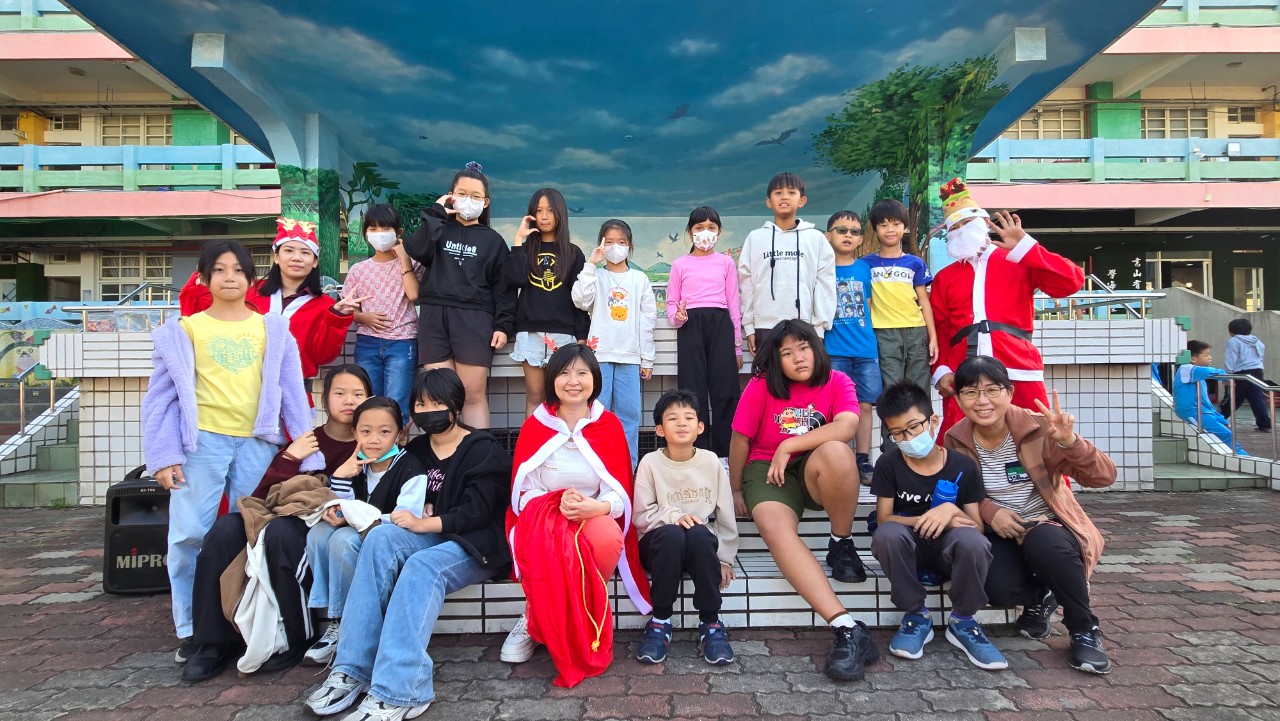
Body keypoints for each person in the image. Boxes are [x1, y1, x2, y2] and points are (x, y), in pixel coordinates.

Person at [141, 239, 320, 660]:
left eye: (238, 270)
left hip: (258, 443)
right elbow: (160, 399)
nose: (229, 277)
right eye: (219, 270)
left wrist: (305, 451)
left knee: (253, 532)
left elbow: (292, 392)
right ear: (204, 278)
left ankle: (246, 621)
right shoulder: (184, 331)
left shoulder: (272, 329)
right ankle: (192, 627)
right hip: (201, 443)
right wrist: (163, 456)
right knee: (188, 535)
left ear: (251, 278)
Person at [304, 368, 512, 720]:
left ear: (456, 405)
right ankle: (351, 669)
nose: (428, 411)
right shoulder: (415, 449)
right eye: (421, 404)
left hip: (473, 545)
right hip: (430, 535)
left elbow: (476, 513)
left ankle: (402, 689)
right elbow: (392, 502)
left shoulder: (482, 449)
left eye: (437, 403)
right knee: (379, 537)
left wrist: (425, 520)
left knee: (420, 567)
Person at [181, 365, 370, 682]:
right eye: (340, 393)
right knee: (225, 530)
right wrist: (290, 458)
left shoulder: (370, 441)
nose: (349, 400)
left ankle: (297, 637)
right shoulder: (306, 440)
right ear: (324, 399)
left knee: (282, 534)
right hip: (283, 512)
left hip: (324, 525)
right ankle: (212, 642)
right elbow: (264, 495)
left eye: (358, 394)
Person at [943, 355, 1115, 674]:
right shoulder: (955, 438)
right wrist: (990, 512)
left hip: (1046, 523)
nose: (982, 401)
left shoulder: (1039, 428)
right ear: (959, 398)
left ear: (1009, 392)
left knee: (1046, 544)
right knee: (996, 588)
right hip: (999, 531)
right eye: (971, 392)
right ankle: (1043, 594)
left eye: (992, 390)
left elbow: (1103, 477)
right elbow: (958, 493)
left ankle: (1084, 629)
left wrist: (1071, 442)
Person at [728, 319, 878, 682]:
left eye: (804, 348)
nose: (798, 358)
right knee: (773, 525)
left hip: (814, 469)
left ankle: (841, 542)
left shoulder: (838, 381)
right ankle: (846, 627)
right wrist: (735, 490)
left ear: (817, 348)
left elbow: (847, 426)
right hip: (767, 469)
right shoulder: (761, 385)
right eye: (787, 353)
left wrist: (790, 444)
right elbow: (740, 439)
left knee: (839, 452)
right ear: (776, 360)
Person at [500, 344, 651, 688]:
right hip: (543, 516)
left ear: (594, 380)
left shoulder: (608, 426)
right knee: (545, 537)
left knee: (607, 536)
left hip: (590, 514)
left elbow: (618, 491)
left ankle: (582, 609)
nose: (573, 381)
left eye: (582, 373)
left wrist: (596, 508)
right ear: (552, 379)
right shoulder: (536, 425)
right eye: (565, 373)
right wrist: (555, 504)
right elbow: (523, 490)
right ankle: (534, 616)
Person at [930, 179, 1084, 435]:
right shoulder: (944, 278)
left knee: (1037, 433)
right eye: (954, 227)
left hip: (1017, 365)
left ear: (983, 222)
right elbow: (940, 330)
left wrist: (1027, 247)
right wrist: (941, 371)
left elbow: (1071, 282)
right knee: (959, 441)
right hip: (963, 372)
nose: (961, 231)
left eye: (967, 222)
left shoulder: (1018, 259)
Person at [870, 381, 1006, 670]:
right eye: (897, 433)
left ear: (933, 421)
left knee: (973, 541)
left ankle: (964, 620)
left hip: (949, 551)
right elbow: (884, 518)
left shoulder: (963, 466)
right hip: (910, 551)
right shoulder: (889, 464)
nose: (908, 438)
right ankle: (916, 616)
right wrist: (926, 518)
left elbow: (977, 527)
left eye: (913, 427)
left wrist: (949, 511)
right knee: (887, 534)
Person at [304, 397, 431, 665]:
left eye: (384, 431)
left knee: (342, 540)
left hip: (390, 538)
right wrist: (340, 477)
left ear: (399, 434)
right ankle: (337, 618)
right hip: (360, 532)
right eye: (365, 431)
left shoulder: (410, 467)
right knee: (318, 534)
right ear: (354, 433)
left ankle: (349, 624)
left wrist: (352, 518)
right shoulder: (355, 465)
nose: (374, 439)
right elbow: (339, 507)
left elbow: (404, 518)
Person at [179, 217, 361, 384]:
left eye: (305, 252)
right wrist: (205, 280)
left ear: (314, 261)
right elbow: (201, 317)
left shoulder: (325, 305)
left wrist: (337, 316)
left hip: (293, 392)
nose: (296, 258)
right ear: (276, 257)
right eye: (288, 250)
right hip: (239, 387)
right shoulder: (247, 290)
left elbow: (323, 357)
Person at [404, 162, 516, 428]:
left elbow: (504, 288)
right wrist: (436, 213)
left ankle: (478, 452)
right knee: (440, 395)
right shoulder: (438, 229)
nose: (468, 200)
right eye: (462, 193)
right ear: (451, 195)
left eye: (476, 196)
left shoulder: (494, 241)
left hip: (475, 319)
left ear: (485, 202)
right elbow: (416, 250)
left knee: (472, 395)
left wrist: (503, 325)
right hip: (434, 317)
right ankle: (444, 452)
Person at [633, 389, 739, 666]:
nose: (682, 423)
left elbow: (725, 513)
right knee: (672, 534)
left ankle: (711, 623)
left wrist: (724, 560)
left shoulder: (711, 461)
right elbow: (640, 515)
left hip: (697, 546)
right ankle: (660, 621)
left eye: (689, 417)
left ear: (700, 427)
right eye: (672, 418)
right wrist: (673, 516)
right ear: (659, 429)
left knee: (700, 534)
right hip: (658, 544)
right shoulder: (650, 463)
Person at [572, 219, 657, 464]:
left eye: (621, 242)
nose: (615, 247)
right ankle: (595, 464)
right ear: (601, 245)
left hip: (630, 357)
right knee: (596, 413)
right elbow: (580, 300)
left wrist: (647, 358)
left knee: (629, 416)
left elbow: (647, 320)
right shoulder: (596, 276)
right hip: (599, 356)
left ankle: (627, 467)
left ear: (630, 246)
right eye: (609, 242)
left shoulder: (639, 279)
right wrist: (590, 264)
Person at [666, 205, 743, 461]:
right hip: (690, 326)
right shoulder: (679, 264)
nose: (705, 233)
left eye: (711, 227)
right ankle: (697, 453)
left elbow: (734, 304)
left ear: (719, 231)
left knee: (725, 389)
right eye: (699, 228)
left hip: (720, 324)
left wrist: (737, 346)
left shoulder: (726, 263)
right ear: (690, 232)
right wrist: (677, 317)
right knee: (692, 389)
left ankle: (725, 455)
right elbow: (671, 303)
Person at [505, 188, 590, 418]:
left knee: (562, 397)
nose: (544, 216)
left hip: (563, 334)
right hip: (530, 332)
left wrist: (582, 334)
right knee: (535, 396)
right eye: (539, 210)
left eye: (550, 210)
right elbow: (515, 280)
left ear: (560, 213)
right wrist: (518, 241)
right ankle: (534, 441)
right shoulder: (526, 249)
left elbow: (578, 297)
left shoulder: (573, 253)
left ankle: (563, 441)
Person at [737, 172, 836, 355]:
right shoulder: (755, 238)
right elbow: (746, 284)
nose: (784, 197)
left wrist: (819, 329)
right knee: (768, 373)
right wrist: (749, 327)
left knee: (801, 373)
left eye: (791, 192)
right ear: (768, 201)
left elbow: (825, 284)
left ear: (802, 200)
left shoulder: (816, 239)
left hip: (804, 325)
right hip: (764, 325)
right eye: (778, 193)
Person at [342, 204, 420, 420]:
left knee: (398, 405)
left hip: (402, 342)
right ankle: (371, 442)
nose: (379, 234)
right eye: (373, 229)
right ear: (366, 233)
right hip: (367, 342)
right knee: (368, 402)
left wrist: (403, 258)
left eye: (385, 228)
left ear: (398, 232)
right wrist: (362, 317)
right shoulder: (358, 270)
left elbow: (414, 295)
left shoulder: (412, 264)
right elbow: (347, 307)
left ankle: (397, 443)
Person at [823, 210, 881, 483]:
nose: (848, 235)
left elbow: (867, 308)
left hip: (865, 350)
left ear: (860, 239)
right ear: (828, 235)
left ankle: (863, 459)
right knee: (836, 408)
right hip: (834, 351)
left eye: (854, 232)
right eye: (841, 230)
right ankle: (839, 458)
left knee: (865, 406)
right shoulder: (822, 269)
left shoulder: (864, 269)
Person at [861, 199, 936, 407]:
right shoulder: (865, 264)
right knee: (891, 390)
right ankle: (892, 430)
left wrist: (933, 337)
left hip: (916, 331)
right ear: (875, 229)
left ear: (905, 227)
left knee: (919, 388)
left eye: (896, 224)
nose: (890, 230)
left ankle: (922, 429)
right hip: (883, 333)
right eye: (883, 225)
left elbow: (924, 301)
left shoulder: (915, 263)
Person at [1174, 340, 1245, 454]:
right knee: (1225, 434)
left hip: (1202, 411)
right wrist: (1226, 376)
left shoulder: (1198, 376)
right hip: (1192, 412)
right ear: (1193, 359)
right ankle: (1240, 456)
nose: (1210, 357)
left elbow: (1205, 402)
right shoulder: (1186, 368)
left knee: (1226, 431)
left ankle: (1241, 455)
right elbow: (1209, 372)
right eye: (1206, 355)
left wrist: (1220, 418)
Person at [1218, 318, 1272, 431]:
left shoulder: (1233, 341)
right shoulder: (1257, 341)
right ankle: (1265, 423)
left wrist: (1226, 377)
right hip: (1257, 372)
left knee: (1233, 397)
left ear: (1231, 331)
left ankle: (1218, 419)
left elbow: (1230, 360)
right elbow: (1260, 356)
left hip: (1241, 374)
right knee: (1257, 398)